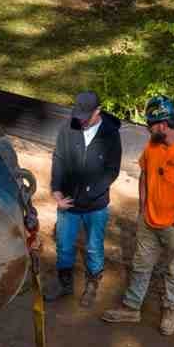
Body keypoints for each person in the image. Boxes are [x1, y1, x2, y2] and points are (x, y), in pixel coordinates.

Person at [102, 95, 174, 336]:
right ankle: (131, 307)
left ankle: (170, 310)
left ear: (163, 125)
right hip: (149, 220)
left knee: (173, 269)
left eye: (150, 124)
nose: (148, 128)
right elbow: (144, 176)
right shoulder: (152, 146)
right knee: (140, 264)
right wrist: (143, 207)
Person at [47, 90, 122, 308]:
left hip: (95, 205)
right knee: (64, 245)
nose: (80, 120)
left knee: (93, 246)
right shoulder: (68, 127)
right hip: (68, 203)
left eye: (85, 116)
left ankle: (92, 283)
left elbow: (112, 171)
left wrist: (89, 193)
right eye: (78, 115)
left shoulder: (110, 134)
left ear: (98, 111)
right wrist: (56, 190)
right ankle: (64, 283)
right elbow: (59, 158)